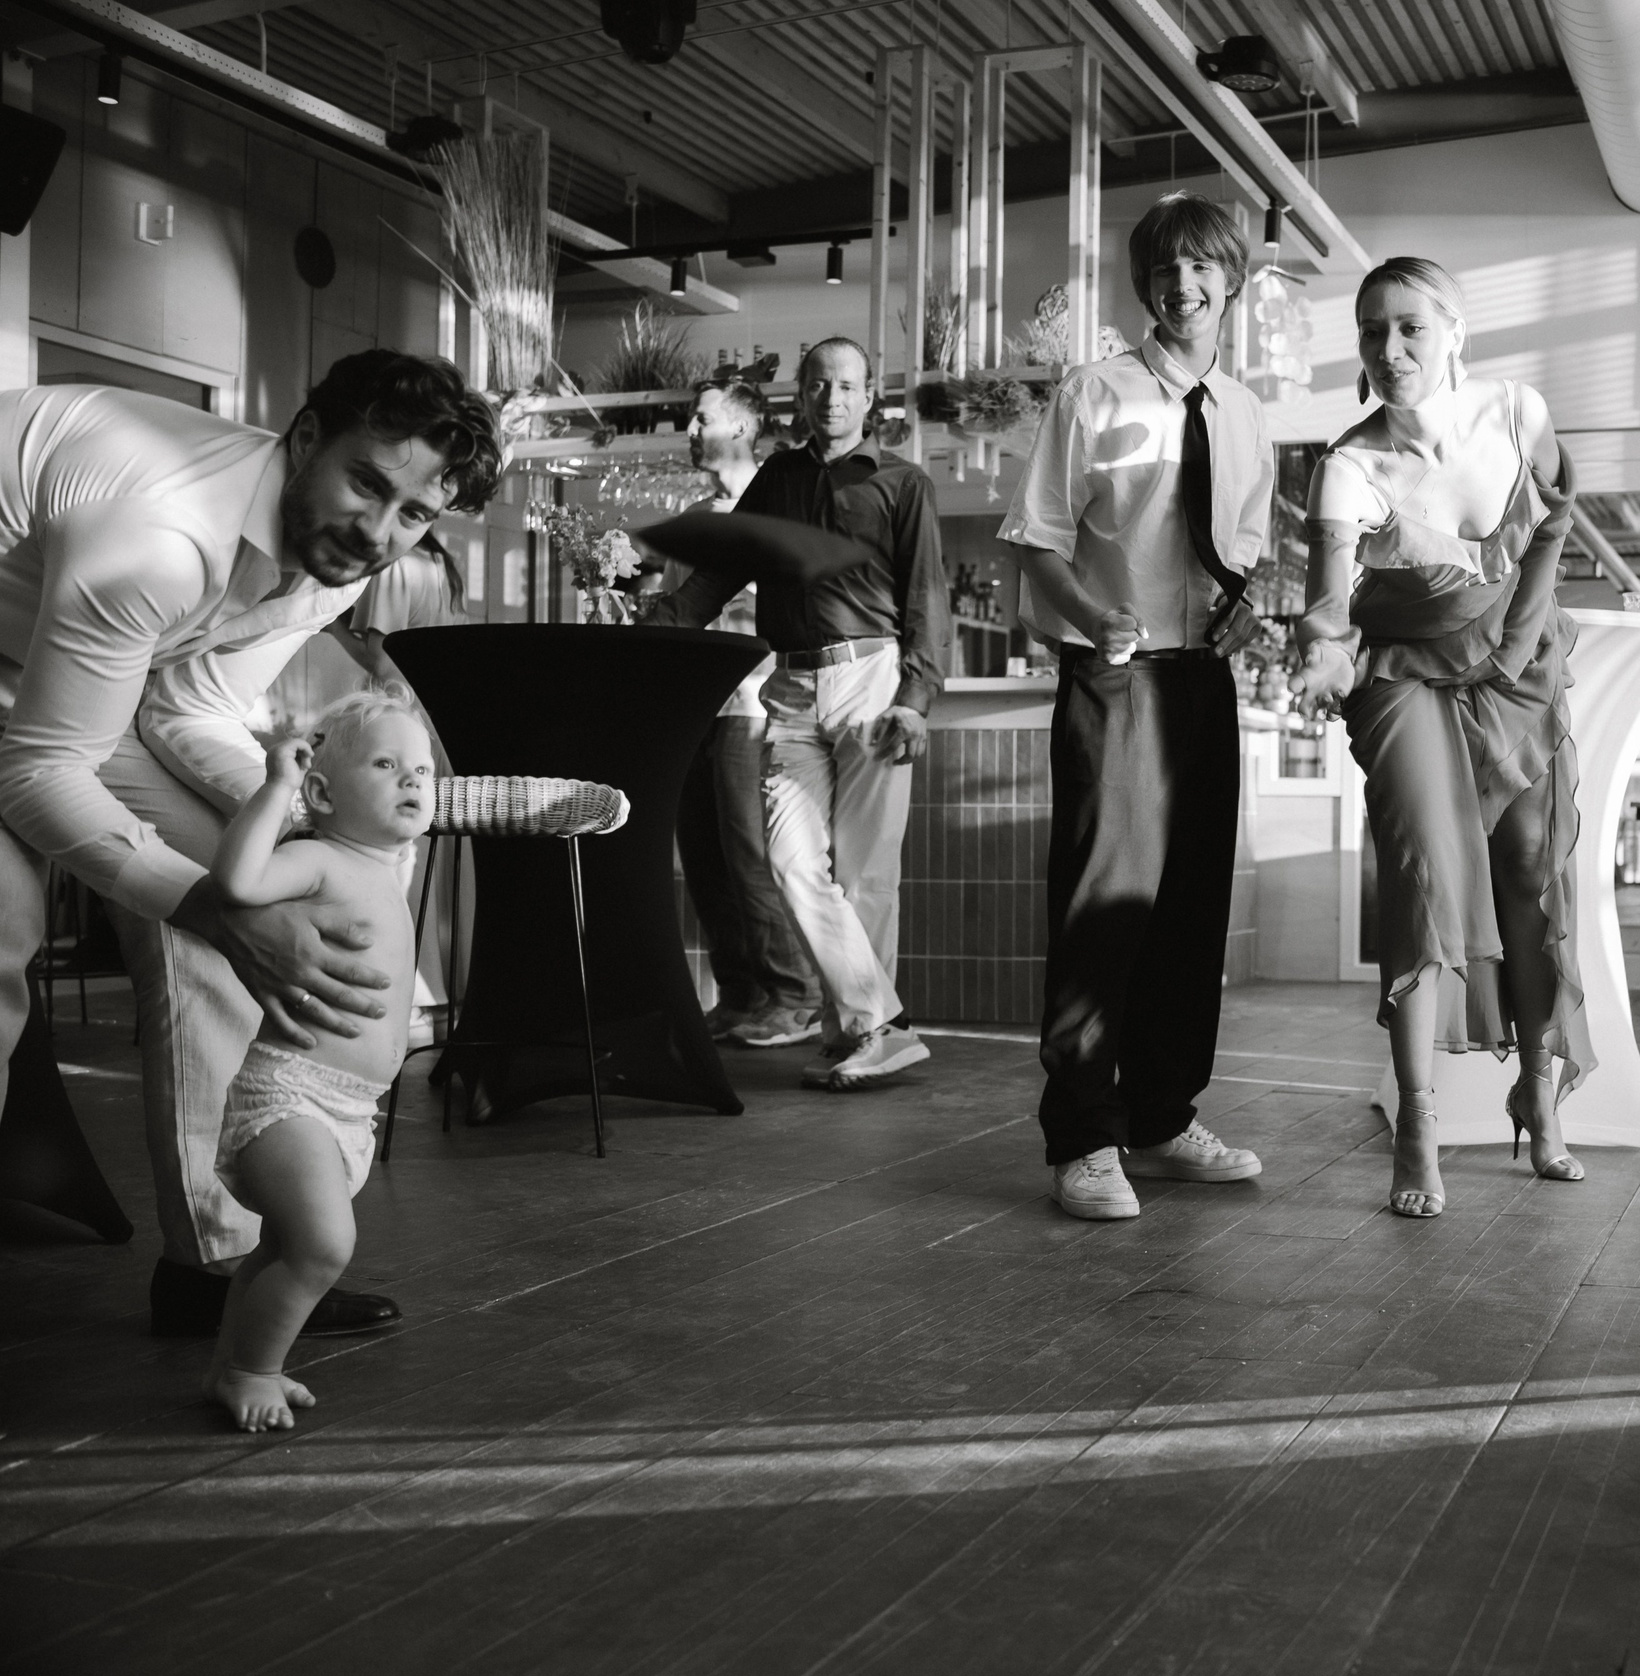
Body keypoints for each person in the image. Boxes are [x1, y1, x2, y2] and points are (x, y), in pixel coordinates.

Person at [0, 353, 501, 1337]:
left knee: (261, 894)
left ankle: (221, 1260)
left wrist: (302, 829)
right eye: (367, 483)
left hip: (75, 682)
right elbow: (37, 772)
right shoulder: (164, 540)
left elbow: (190, 709)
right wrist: (206, 905)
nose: (378, 532)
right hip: (20, 678)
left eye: (413, 514)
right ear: (305, 438)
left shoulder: (327, 558)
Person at [1296, 258, 1591, 1219]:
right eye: (1373, 331)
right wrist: (1323, 651)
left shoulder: (1517, 411)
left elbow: (1553, 521)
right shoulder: (1347, 464)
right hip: (1402, 674)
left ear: (1455, 330)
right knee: (1425, 871)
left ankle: (1538, 1090)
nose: (1391, 350)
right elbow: (1332, 600)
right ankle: (1416, 1119)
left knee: (1530, 873)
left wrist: (1516, 639)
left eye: (1412, 327)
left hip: (1516, 667)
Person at [1001, 191, 1273, 1221]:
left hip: (1201, 676)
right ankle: (1081, 1137)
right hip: (1112, 674)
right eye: (1163, 269)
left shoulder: (1245, 413)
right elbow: (1034, 542)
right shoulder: (1093, 393)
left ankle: (1161, 1120)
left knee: (1190, 910)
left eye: (1202, 266)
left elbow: (1242, 549)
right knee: (1103, 912)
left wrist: (1247, 612)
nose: (1182, 284)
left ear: (1231, 279)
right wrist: (1090, 611)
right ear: (1143, 285)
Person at [645, 342, 944, 1089]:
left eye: (846, 385)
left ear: (870, 395)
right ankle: (884, 1024)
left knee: (867, 871)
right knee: (790, 861)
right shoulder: (776, 477)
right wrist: (665, 619)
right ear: (800, 396)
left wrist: (915, 700)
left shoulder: (902, 484)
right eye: (817, 384)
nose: (831, 397)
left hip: (870, 677)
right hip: (790, 684)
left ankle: (855, 1034)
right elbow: (723, 566)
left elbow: (927, 601)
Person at [201, 689, 433, 1431]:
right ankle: (252, 1367)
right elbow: (236, 883)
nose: (412, 781)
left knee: (279, 1247)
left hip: (353, 1110)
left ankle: (227, 1364)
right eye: (388, 764)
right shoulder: (317, 858)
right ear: (324, 792)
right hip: (291, 1094)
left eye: (422, 770)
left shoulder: (388, 861)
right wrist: (276, 785)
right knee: (324, 1244)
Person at [653, 379, 822, 1049]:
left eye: (703, 419)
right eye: (691, 419)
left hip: (751, 701)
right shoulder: (698, 514)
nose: (691, 429)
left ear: (746, 429)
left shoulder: (774, 505)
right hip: (695, 707)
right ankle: (741, 990)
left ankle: (794, 994)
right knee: (702, 852)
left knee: (748, 850)